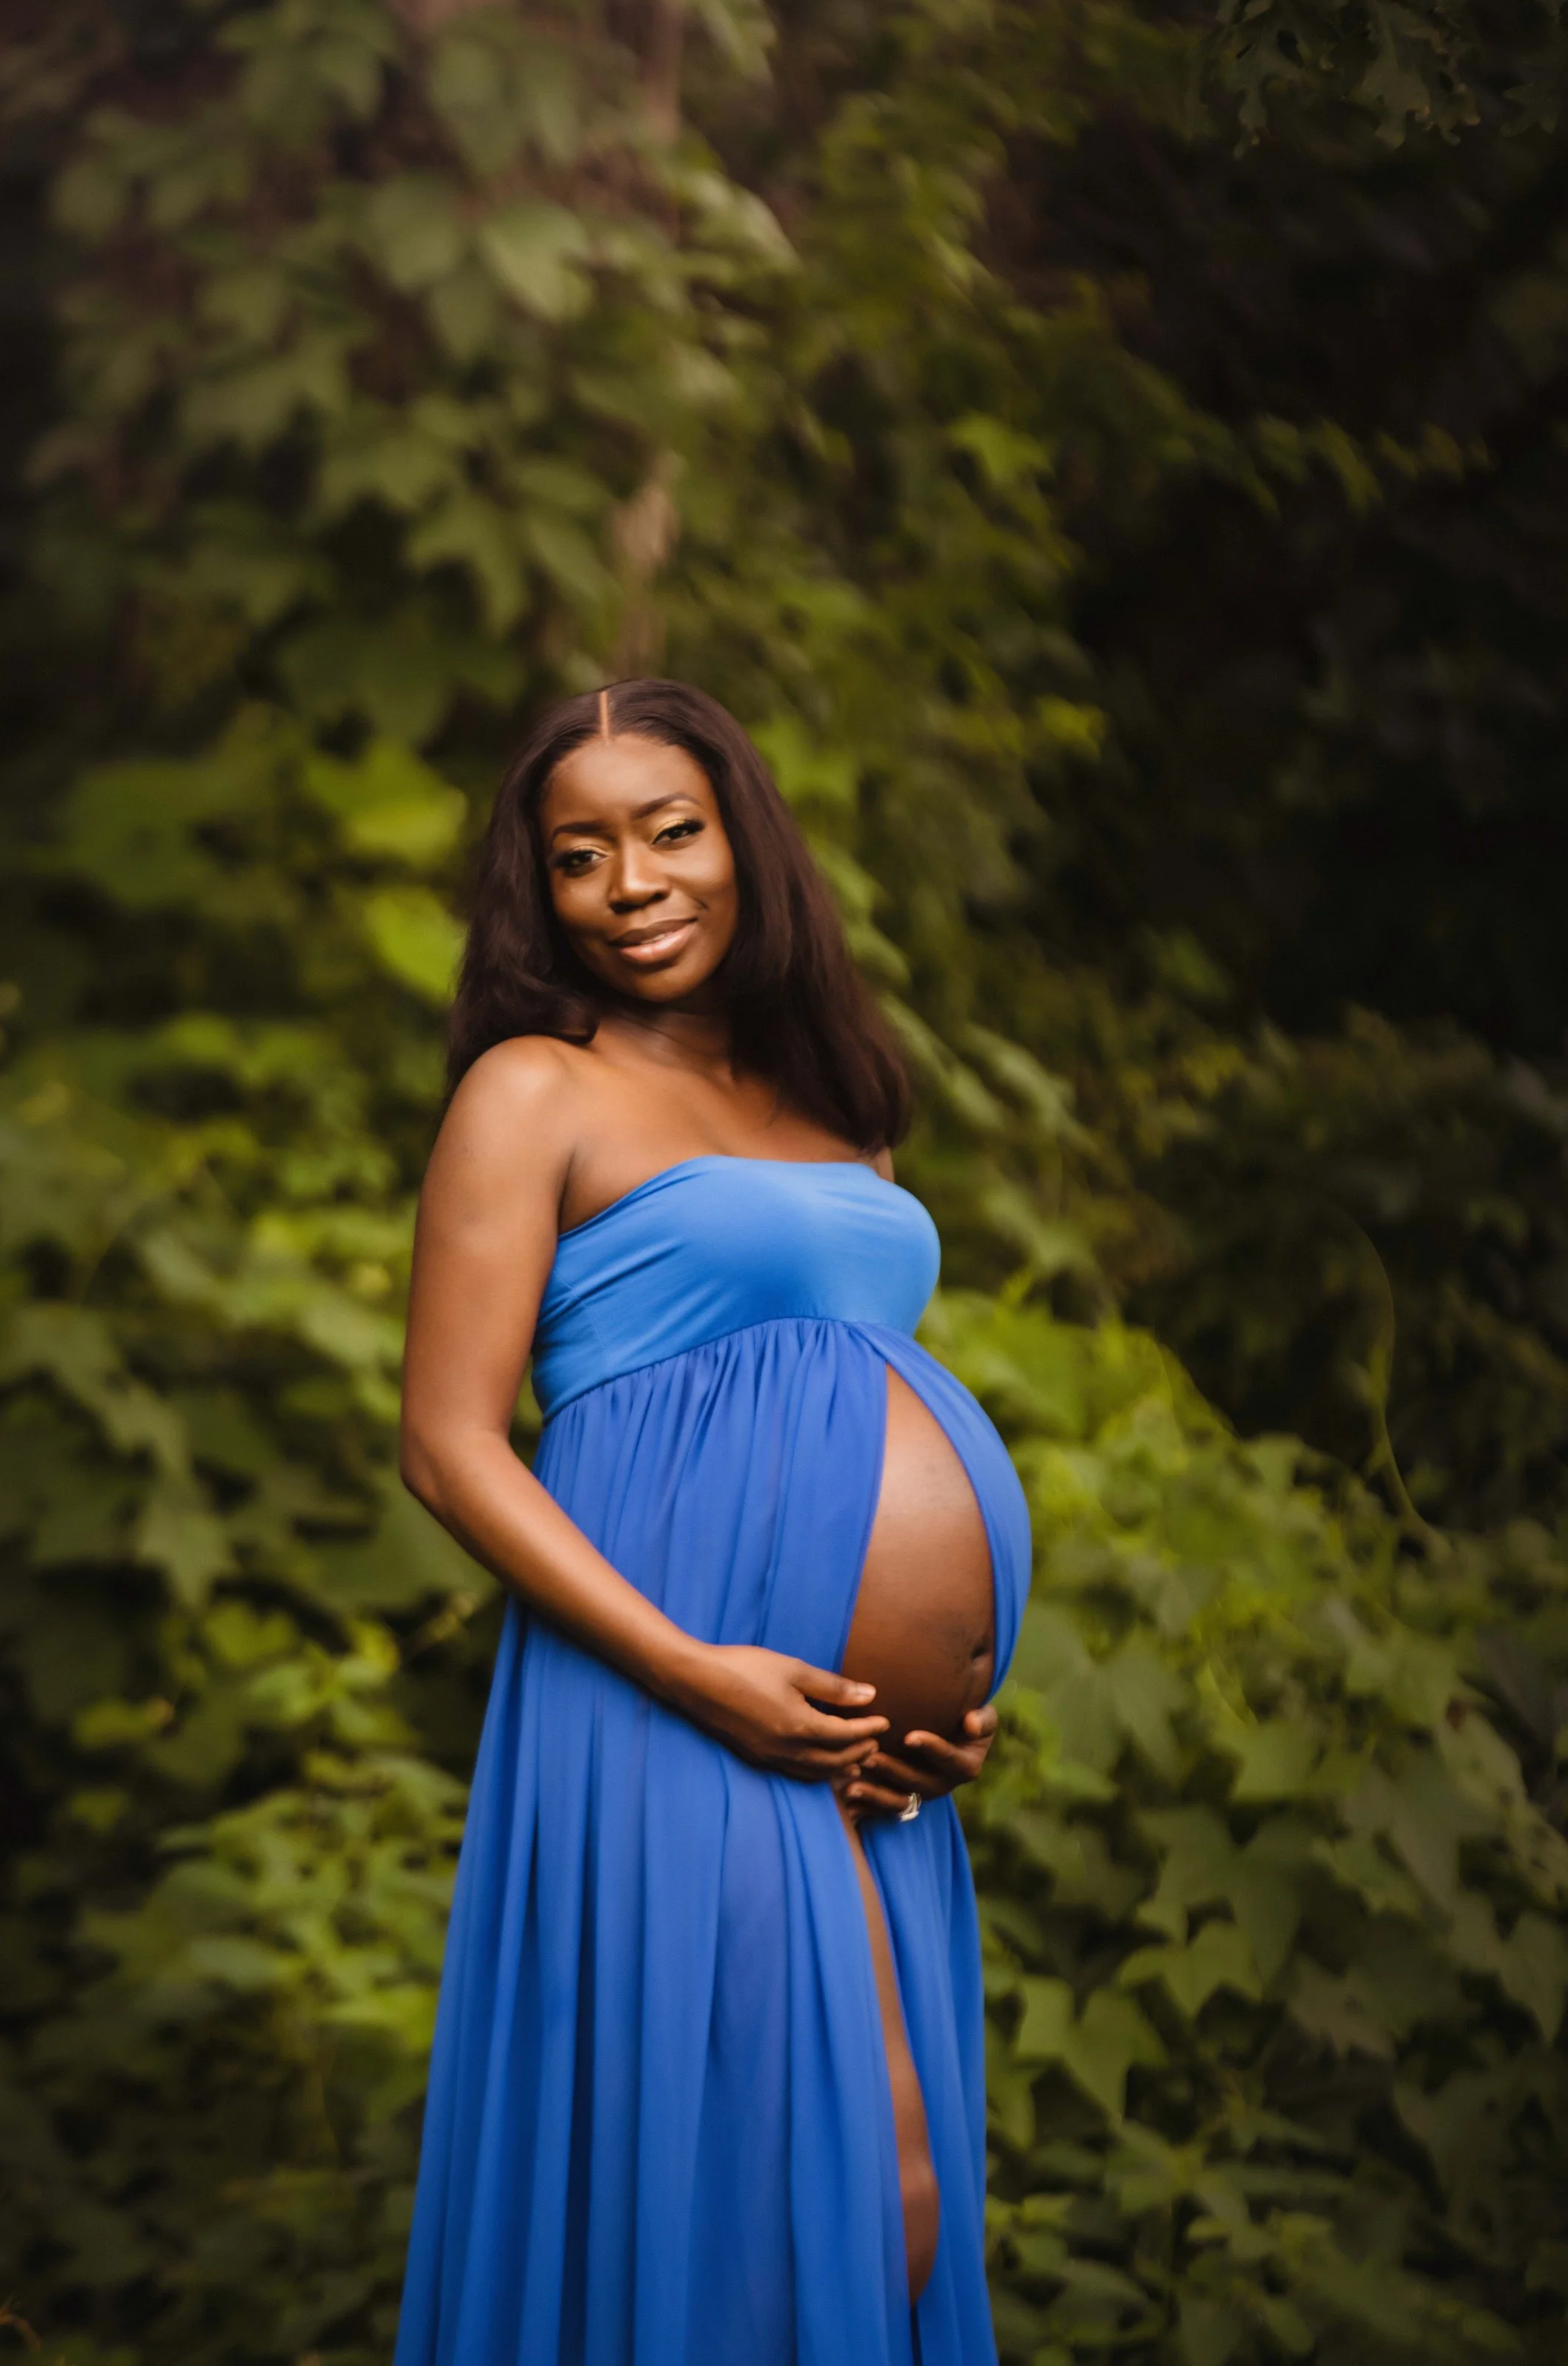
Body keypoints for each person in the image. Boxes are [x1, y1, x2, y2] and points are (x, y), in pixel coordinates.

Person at [392, 678, 1032, 2366]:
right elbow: (451, 1447)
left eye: (669, 829)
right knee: (791, 2185)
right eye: (580, 850)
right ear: (544, 889)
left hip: (859, 1756)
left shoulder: (841, 1104)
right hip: (672, 1698)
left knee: (884, 2200)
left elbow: (858, 1390)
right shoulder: (533, 1092)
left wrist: (942, 1695)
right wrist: (691, 1668)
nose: (632, 879)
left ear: (742, 838)